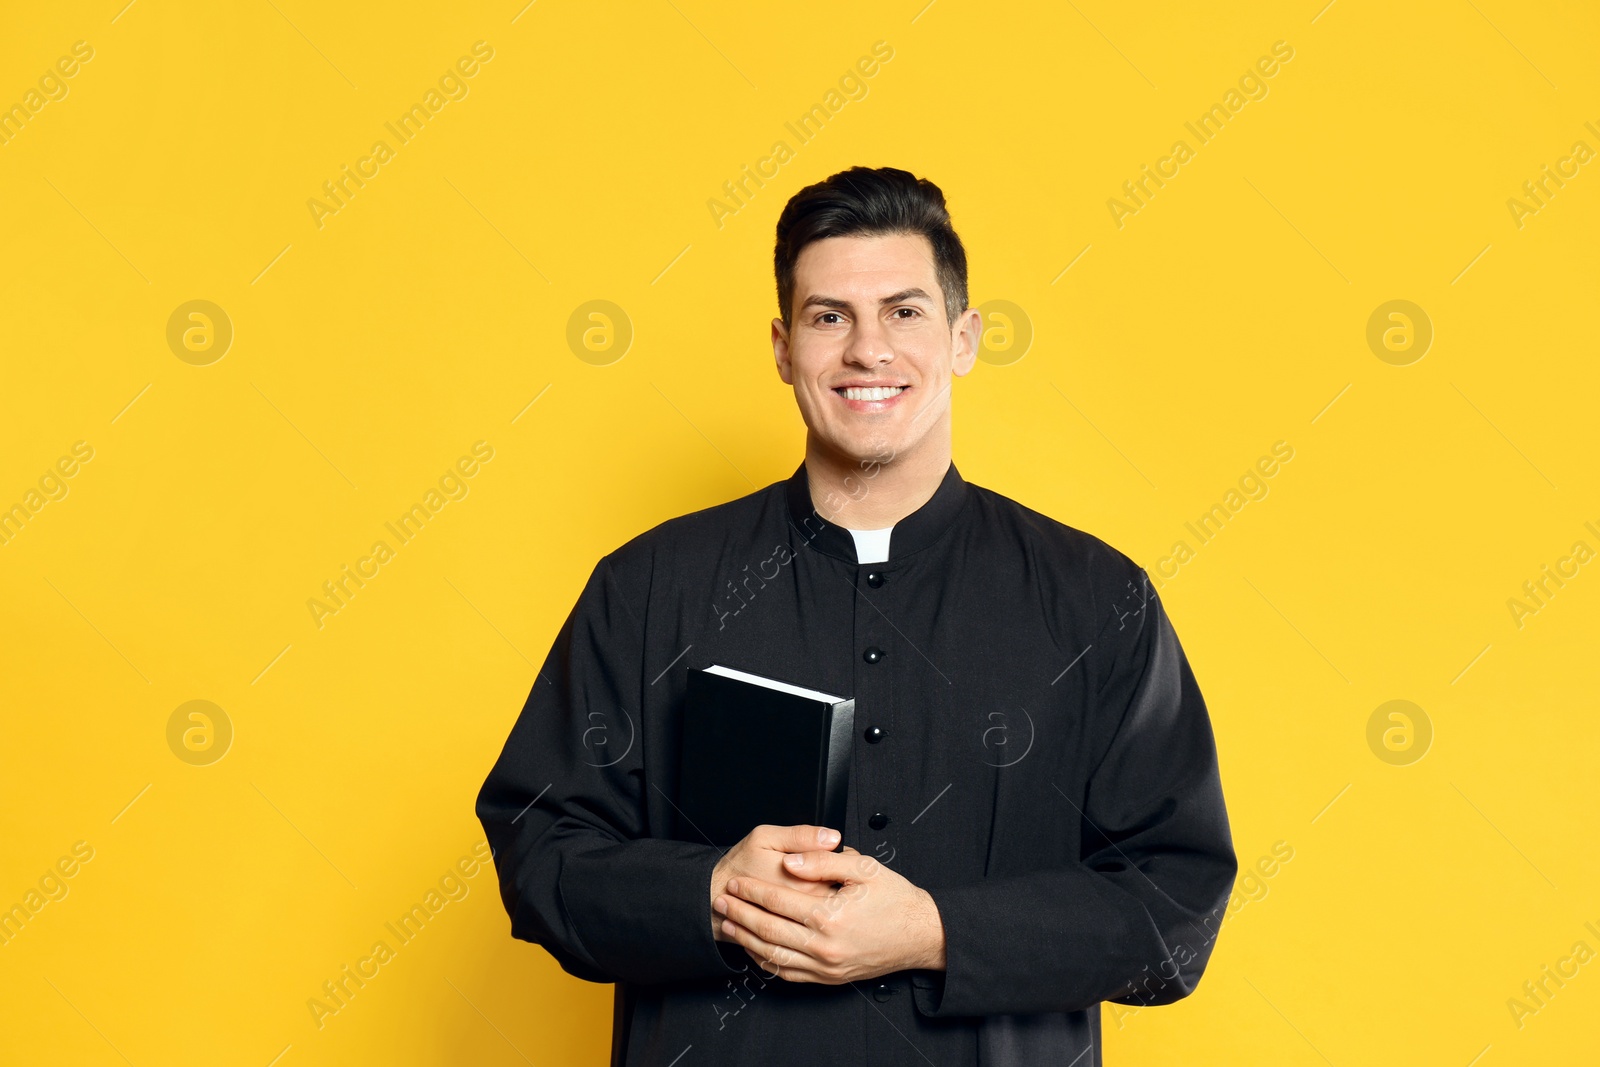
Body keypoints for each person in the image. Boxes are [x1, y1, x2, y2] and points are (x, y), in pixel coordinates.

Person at [475, 165, 1237, 1066]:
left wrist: (935, 929)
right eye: (828, 316)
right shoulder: (648, 585)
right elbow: (538, 848)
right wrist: (709, 890)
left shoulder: (1097, 600)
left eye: (905, 312)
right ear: (782, 347)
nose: (868, 351)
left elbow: (1176, 906)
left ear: (964, 338)